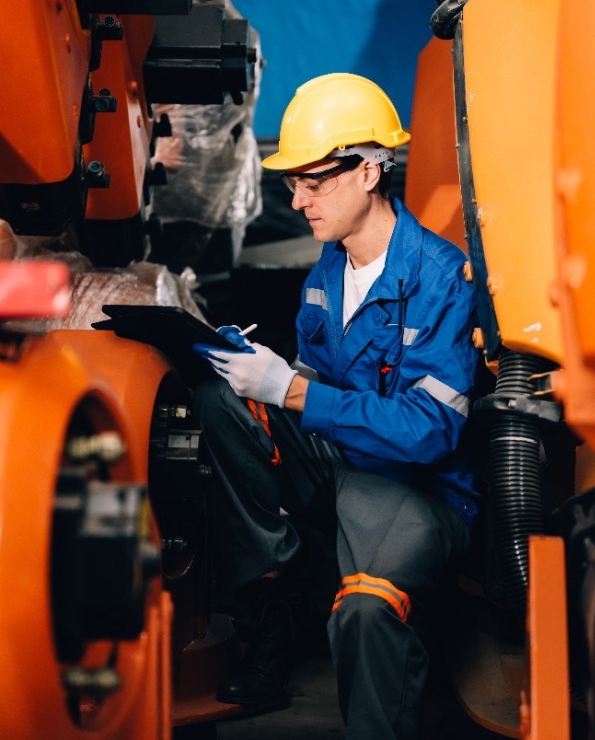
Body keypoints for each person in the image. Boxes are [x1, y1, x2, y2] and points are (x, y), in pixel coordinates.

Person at [192, 72, 481, 739]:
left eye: (314, 183)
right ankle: (272, 608)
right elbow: (319, 381)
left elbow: (431, 432)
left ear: (370, 171)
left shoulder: (442, 278)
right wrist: (261, 372)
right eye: (293, 183)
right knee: (219, 398)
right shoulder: (328, 270)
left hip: (418, 488)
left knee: (367, 609)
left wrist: (291, 390)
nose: (297, 201)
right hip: (342, 463)